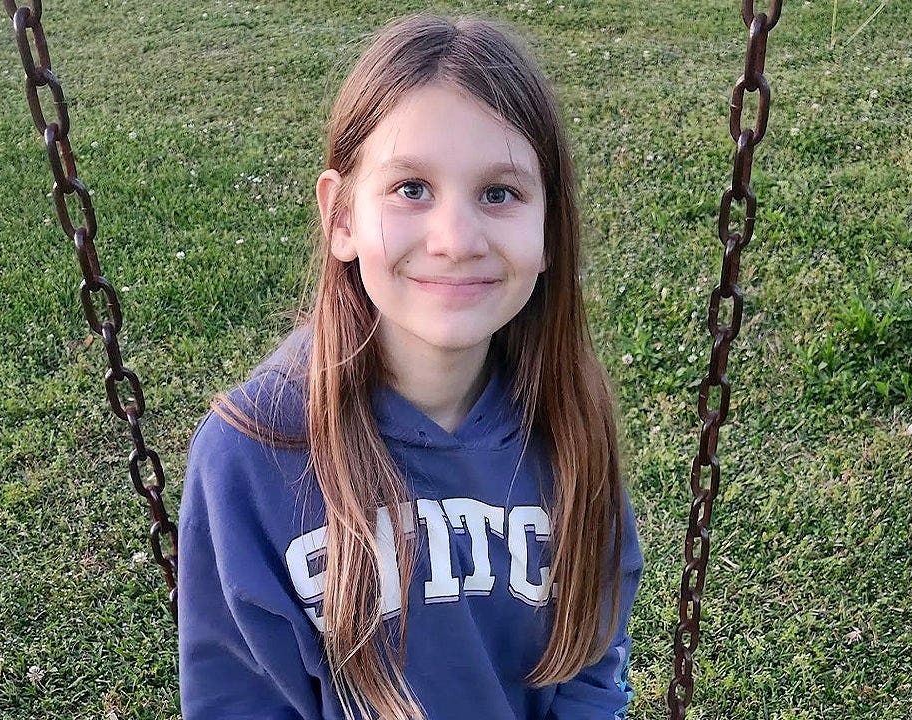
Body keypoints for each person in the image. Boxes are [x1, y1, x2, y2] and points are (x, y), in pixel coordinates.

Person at [177, 11, 644, 720]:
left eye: (499, 193)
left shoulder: (569, 423)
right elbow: (236, 700)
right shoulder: (252, 454)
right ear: (341, 218)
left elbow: (591, 661)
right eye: (411, 189)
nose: (455, 240)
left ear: (549, 227)